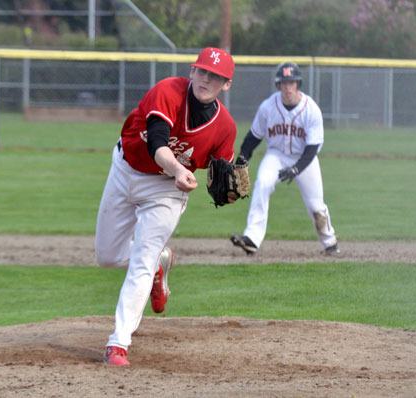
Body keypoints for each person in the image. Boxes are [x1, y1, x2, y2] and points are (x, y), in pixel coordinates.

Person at [95, 47, 238, 366]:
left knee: (141, 259)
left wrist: (225, 189)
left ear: (226, 85)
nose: (206, 79)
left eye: (215, 76)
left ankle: (118, 343)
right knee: (107, 257)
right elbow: (157, 143)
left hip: (166, 192)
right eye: (202, 71)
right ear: (192, 72)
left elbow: (221, 172)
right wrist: (178, 170)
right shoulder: (167, 91)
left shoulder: (225, 127)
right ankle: (162, 261)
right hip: (126, 169)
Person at [230, 62, 339, 256]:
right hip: (276, 155)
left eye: (292, 82)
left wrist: (297, 168)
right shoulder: (268, 107)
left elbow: (312, 148)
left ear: (298, 84)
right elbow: (253, 137)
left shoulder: (311, 109)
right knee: (263, 183)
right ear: (278, 85)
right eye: (284, 83)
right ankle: (252, 238)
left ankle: (330, 243)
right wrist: (243, 158)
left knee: (316, 206)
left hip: (304, 157)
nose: (288, 87)